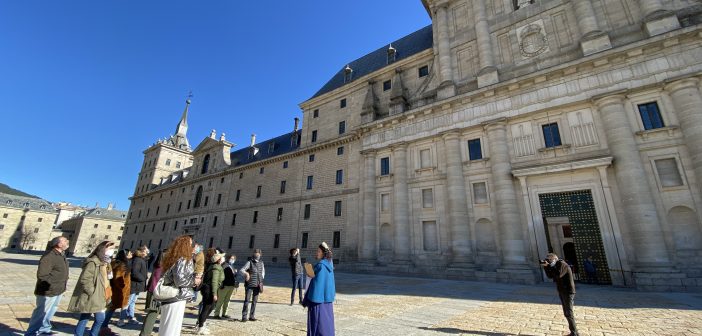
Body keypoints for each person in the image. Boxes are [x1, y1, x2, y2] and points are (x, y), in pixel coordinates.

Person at [68, 241, 115, 336]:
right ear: (103, 249)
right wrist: (92, 291)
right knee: (99, 318)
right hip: (95, 294)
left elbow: (108, 276)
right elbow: (85, 279)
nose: (112, 251)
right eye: (110, 248)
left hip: (103, 292)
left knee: (85, 317)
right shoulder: (93, 262)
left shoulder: (106, 262)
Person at [25, 236, 70, 336]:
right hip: (48, 291)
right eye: (65, 240)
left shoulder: (61, 254)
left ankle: (44, 329)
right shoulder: (49, 256)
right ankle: (31, 333)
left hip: (58, 290)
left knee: (50, 311)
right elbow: (42, 275)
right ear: (58, 244)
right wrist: (51, 286)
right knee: (41, 313)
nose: (67, 242)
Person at [157, 235, 196, 336]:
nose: (193, 246)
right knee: (172, 329)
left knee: (166, 327)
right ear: (186, 246)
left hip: (169, 296)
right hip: (176, 297)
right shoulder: (183, 259)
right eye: (191, 244)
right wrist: (194, 281)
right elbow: (180, 280)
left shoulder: (173, 257)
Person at [302, 242, 336, 336]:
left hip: (318, 300)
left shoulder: (320, 266)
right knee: (327, 322)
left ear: (323, 253)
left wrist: (309, 275)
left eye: (318, 251)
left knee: (317, 323)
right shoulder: (329, 264)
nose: (317, 253)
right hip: (328, 300)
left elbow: (317, 284)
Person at [541, 253, 579, 336]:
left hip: (568, 291)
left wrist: (550, 266)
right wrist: (546, 267)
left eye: (549, 260)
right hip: (562, 290)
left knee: (569, 312)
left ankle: (575, 333)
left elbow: (558, 275)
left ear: (554, 259)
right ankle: (573, 332)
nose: (548, 261)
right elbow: (550, 276)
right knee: (566, 312)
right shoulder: (555, 266)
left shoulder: (562, 264)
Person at [100, 249, 132, 334]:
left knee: (109, 309)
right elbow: (118, 278)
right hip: (118, 291)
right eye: (129, 253)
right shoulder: (122, 265)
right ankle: (103, 326)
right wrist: (123, 286)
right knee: (111, 310)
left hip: (113, 289)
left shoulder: (115, 262)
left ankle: (103, 326)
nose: (131, 254)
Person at [196, 248, 225, 334]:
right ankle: (200, 327)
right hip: (210, 290)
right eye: (221, 257)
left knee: (210, 307)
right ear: (219, 260)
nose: (222, 258)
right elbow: (214, 281)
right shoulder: (216, 268)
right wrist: (214, 294)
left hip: (207, 289)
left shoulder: (214, 266)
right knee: (207, 308)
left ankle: (202, 324)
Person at [140, 250, 165, 336]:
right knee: (153, 313)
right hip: (156, 293)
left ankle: (145, 333)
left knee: (153, 313)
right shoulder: (161, 269)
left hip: (153, 292)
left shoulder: (157, 266)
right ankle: (144, 334)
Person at [239, 248, 265, 322]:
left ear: (260, 254)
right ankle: (244, 316)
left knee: (254, 301)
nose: (257, 254)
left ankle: (252, 316)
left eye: (258, 253)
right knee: (247, 300)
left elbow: (263, 272)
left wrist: (260, 280)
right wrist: (246, 274)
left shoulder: (261, 263)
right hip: (250, 284)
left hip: (257, 285)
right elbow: (242, 270)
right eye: (256, 253)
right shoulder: (249, 262)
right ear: (253, 254)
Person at [126, 246, 149, 324]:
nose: (147, 252)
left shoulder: (141, 260)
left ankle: (131, 316)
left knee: (132, 301)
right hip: (135, 284)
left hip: (138, 284)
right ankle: (122, 318)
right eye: (146, 251)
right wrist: (143, 278)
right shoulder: (138, 260)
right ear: (142, 252)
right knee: (128, 302)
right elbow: (135, 272)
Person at [213, 254, 238, 319]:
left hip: (231, 285)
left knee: (227, 301)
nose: (232, 260)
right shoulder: (224, 265)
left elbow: (234, 275)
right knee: (220, 300)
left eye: (233, 259)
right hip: (224, 285)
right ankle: (216, 314)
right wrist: (221, 284)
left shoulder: (232, 266)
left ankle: (224, 313)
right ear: (228, 258)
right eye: (231, 258)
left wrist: (235, 272)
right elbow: (221, 276)